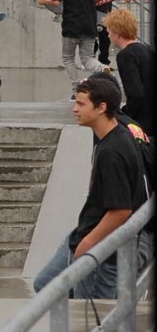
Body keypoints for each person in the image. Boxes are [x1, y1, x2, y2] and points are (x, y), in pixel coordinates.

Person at [33, 77, 149, 300]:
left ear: (101, 107)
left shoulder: (112, 151)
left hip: (101, 252)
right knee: (46, 285)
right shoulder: (111, 138)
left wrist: (88, 243)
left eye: (81, 104)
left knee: (96, 320)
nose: (74, 109)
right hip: (86, 235)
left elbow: (121, 210)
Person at [37, 0, 110, 99]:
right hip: (89, 25)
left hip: (71, 27)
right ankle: (102, 67)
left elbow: (56, 2)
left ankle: (76, 89)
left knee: (68, 58)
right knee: (87, 59)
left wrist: (42, 0)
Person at [103, 8, 155, 137]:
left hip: (143, 122)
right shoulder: (147, 50)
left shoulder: (125, 56)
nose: (108, 36)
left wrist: (124, 115)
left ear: (118, 33)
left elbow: (136, 94)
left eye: (109, 32)